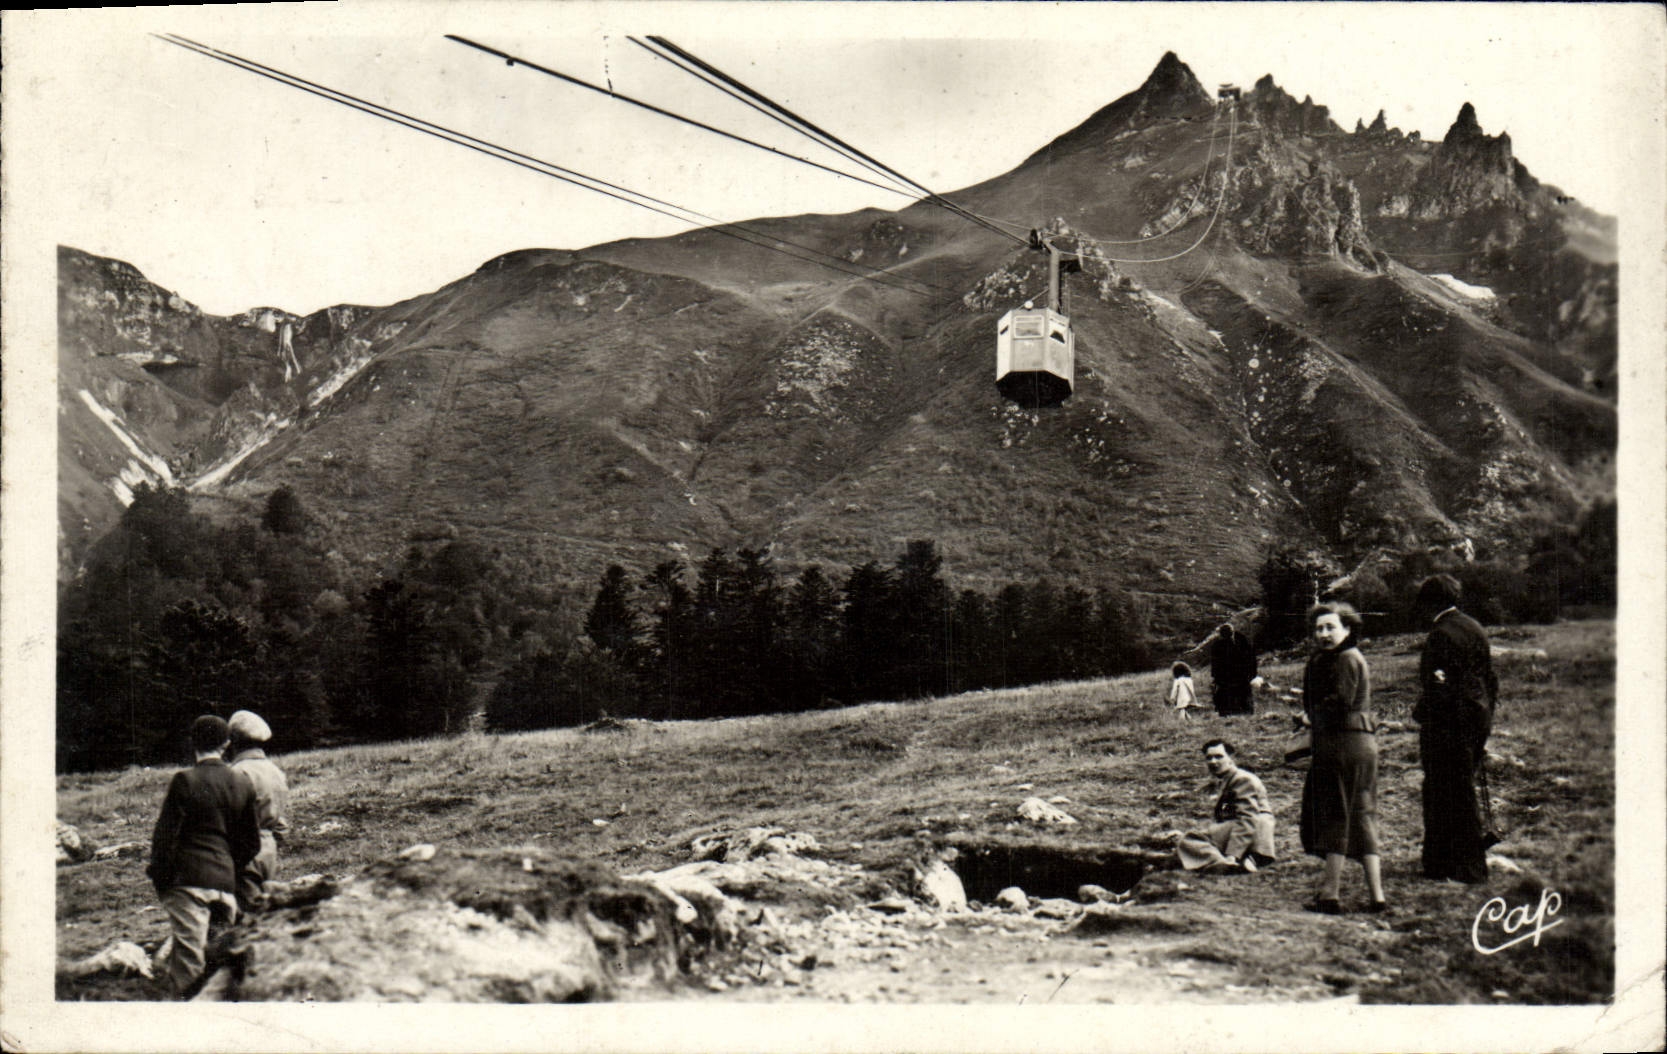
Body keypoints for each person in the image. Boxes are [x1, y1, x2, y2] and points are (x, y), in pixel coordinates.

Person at [147, 714, 262, 996]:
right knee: (219, 958)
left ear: (192, 742)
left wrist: (163, 881)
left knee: (189, 964)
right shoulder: (242, 782)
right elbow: (251, 843)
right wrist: (228, 868)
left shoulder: (184, 781)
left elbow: (164, 840)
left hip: (188, 883)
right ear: (226, 745)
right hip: (225, 885)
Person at [1411, 574, 1499, 884]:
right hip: (1476, 719)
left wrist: (1421, 714)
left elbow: (1439, 689)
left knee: (1444, 792)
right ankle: (1456, 863)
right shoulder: (1474, 627)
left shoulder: (1440, 635)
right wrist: (1484, 716)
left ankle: (1456, 865)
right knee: (1460, 791)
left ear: (1429, 603)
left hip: (1448, 726)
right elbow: (1489, 679)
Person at [1298, 601, 1385, 914]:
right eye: (1319, 628)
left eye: (1330, 627)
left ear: (1348, 629)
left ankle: (1329, 895)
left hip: (1342, 744)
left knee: (1336, 813)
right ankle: (1376, 896)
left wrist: (1310, 718)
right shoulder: (1343, 658)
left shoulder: (1345, 659)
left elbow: (1339, 702)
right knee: (1362, 815)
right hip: (1360, 744)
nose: (1323, 633)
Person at [1177, 739, 1277, 872]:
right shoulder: (1230, 778)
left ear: (1231, 758)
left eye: (1219, 756)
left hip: (1255, 829)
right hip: (1248, 829)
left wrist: (1232, 855)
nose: (1213, 762)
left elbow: (1248, 818)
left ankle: (1223, 863)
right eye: (1209, 758)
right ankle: (1239, 860)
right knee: (1199, 835)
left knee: (1189, 839)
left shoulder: (1242, 779)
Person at [227, 709, 291, 909]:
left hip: (245, 849)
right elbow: (282, 823)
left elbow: (230, 818)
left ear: (234, 742)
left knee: (250, 915)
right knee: (268, 908)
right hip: (269, 850)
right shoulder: (275, 771)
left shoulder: (236, 772)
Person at [1208, 624, 1258, 716]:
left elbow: (1251, 659)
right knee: (1231, 696)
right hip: (1229, 677)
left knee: (1238, 695)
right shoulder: (1218, 645)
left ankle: (1240, 713)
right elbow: (1215, 663)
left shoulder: (1242, 642)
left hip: (1240, 676)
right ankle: (1233, 713)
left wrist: (1251, 674)